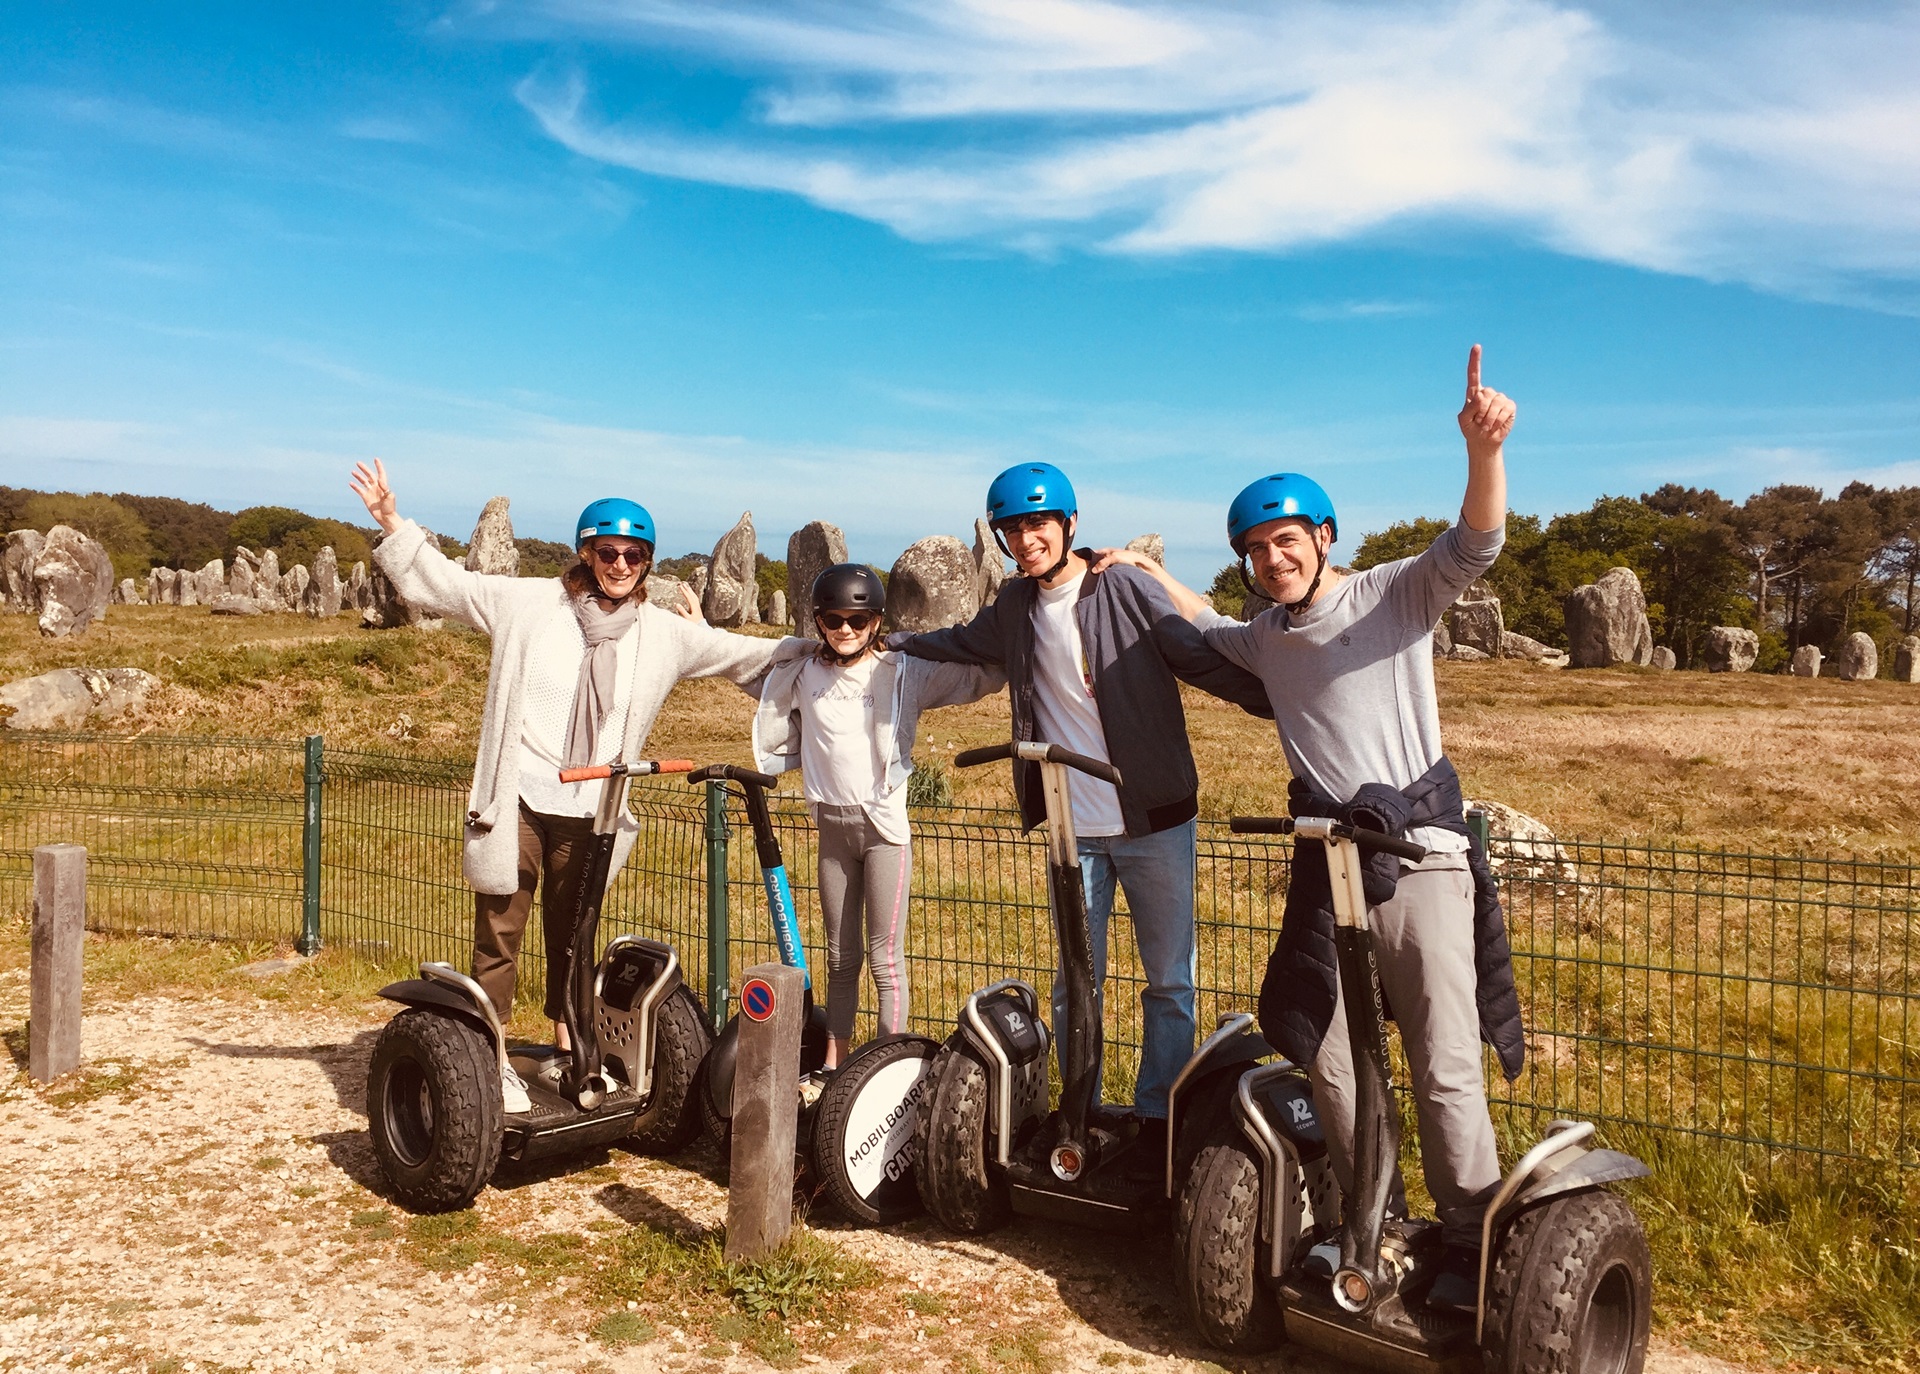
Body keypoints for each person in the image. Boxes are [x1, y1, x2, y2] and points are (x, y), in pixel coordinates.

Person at [1097, 346, 1525, 1311]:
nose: (1272, 559)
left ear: (1325, 537)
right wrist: (1150, 571)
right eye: (1255, 550)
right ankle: (1376, 1219)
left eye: (1286, 540)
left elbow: (1475, 542)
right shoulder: (1267, 636)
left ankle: (1470, 1242)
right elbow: (1209, 627)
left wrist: (1485, 450)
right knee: (1329, 1057)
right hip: (1328, 870)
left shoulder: (1390, 594)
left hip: (1419, 859)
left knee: (1443, 1061)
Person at [350, 459, 785, 1115]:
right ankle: (488, 1060)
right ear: (586, 553)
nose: (620, 564)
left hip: (592, 811)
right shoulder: (527, 604)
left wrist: (840, 646)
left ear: (648, 562)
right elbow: (446, 584)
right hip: (518, 800)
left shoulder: (664, 635)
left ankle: (571, 1051)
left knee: (575, 939)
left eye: (634, 555)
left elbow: (746, 655)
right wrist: (392, 520)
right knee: (499, 936)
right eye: (607, 552)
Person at [892, 463, 1273, 1151]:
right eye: (1012, 529)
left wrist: (1278, 693)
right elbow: (959, 641)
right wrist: (887, 641)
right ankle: (1081, 1114)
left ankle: (1156, 1120)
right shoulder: (1015, 604)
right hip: (1073, 829)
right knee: (1075, 982)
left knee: (1170, 982)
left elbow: (1195, 655)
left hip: (1155, 819)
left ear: (1069, 524)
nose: (1025, 539)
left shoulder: (1121, 586)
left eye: (1037, 523)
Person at [748, 564, 1003, 1076]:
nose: (845, 629)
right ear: (818, 621)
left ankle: (891, 1067)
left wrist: (1026, 653)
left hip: (884, 831)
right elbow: (742, 664)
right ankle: (833, 1066)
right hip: (831, 830)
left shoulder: (903, 671)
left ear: (876, 622)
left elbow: (978, 678)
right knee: (840, 958)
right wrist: (702, 628)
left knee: (886, 960)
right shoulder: (801, 674)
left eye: (858, 620)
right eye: (834, 619)